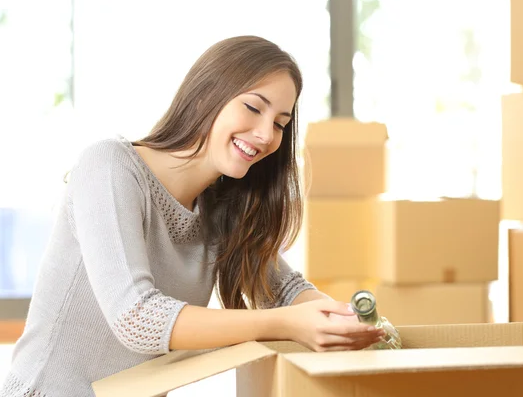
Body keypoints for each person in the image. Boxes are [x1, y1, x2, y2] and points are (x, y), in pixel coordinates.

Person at [0, 35, 385, 397]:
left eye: (281, 124)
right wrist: (287, 324)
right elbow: (137, 317)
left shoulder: (221, 207)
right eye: (253, 107)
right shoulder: (110, 167)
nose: (267, 135)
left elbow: (283, 292)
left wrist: (340, 317)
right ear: (206, 97)